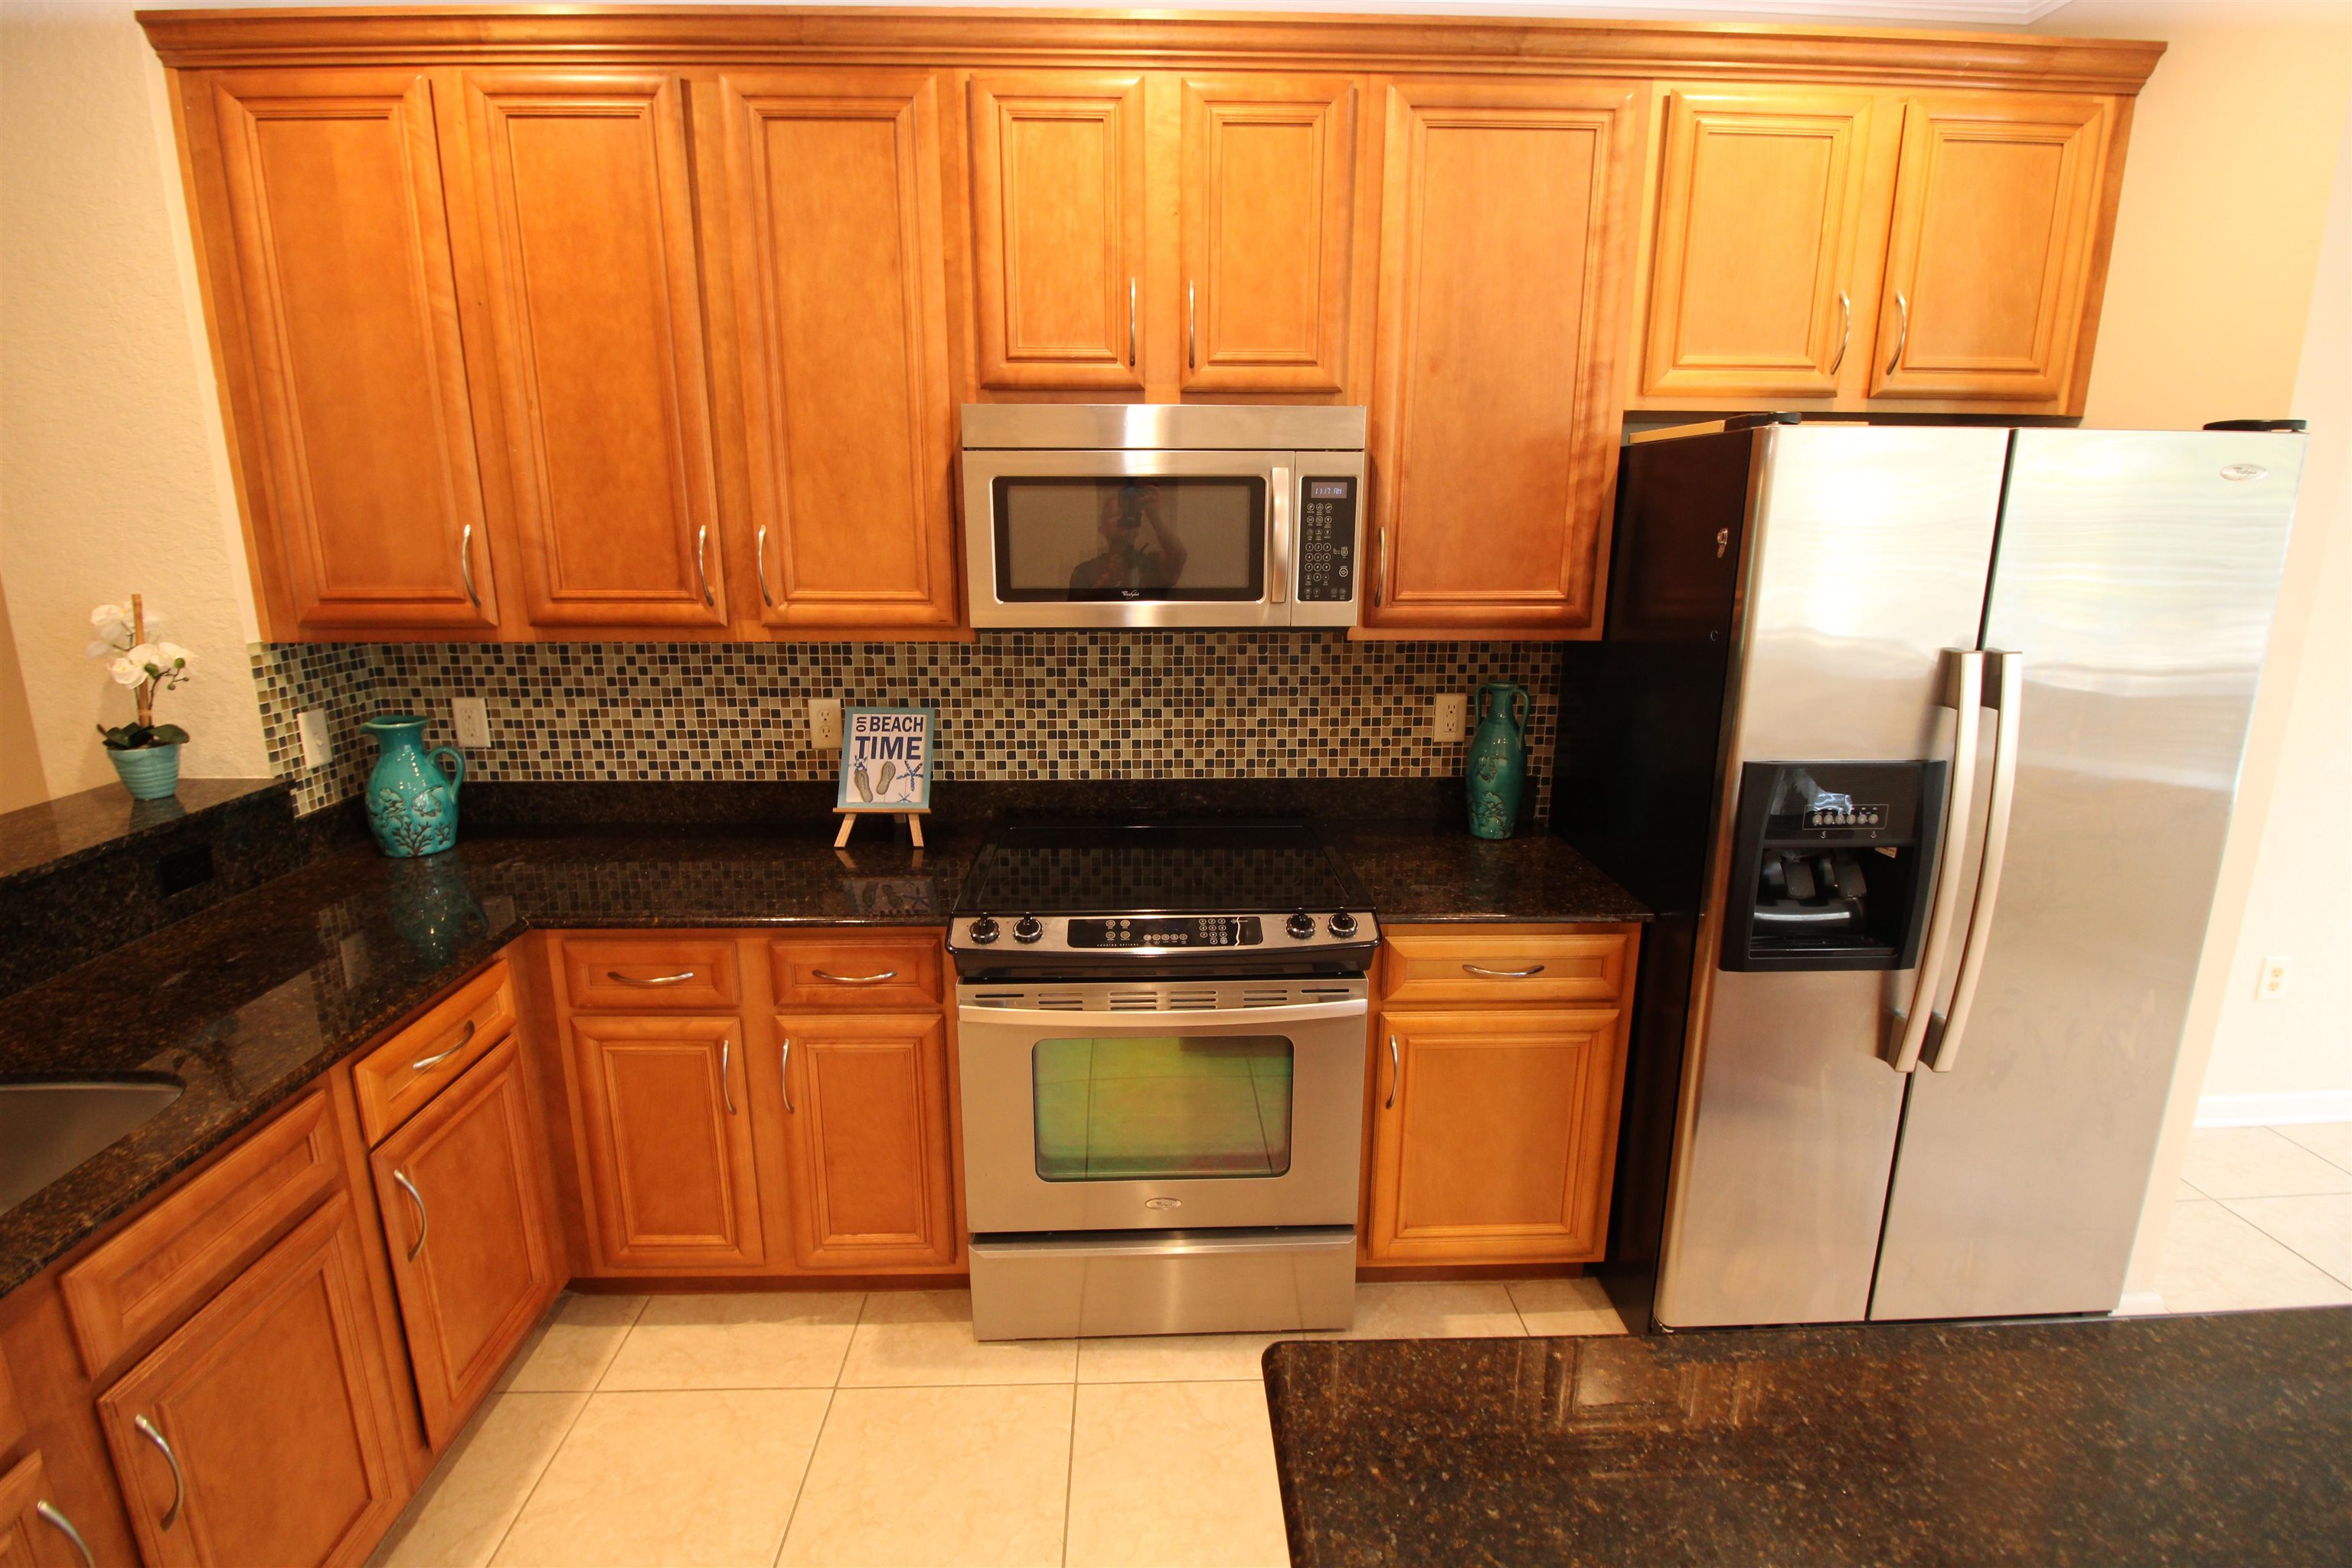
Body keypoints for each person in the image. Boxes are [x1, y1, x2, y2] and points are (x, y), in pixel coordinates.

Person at [1069, 482, 1187, 596]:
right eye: (1116, 514)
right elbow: (1076, 612)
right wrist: (1108, 581)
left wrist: (1154, 515)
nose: (1123, 518)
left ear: (1137, 526)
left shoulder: (1151, 563)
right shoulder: (1085, 571)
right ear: (1102, 529)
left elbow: (1178, 555)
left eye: (1128, 514)